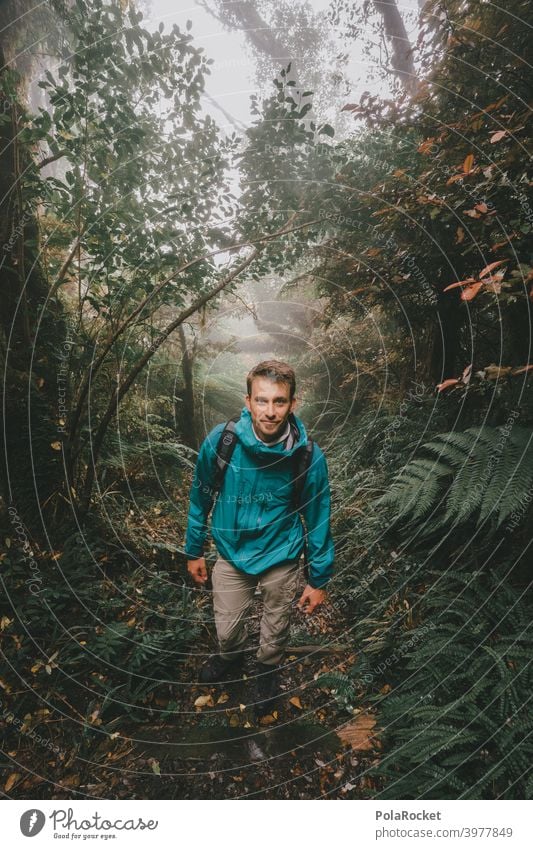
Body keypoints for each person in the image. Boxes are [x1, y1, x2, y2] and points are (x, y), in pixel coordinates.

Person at [184, 360, 334, 714]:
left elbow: (317, 517)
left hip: (280, 556)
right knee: (226, 629)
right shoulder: (223, 443)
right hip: (232, 554)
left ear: (292, 404)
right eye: (262, 401)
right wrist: (193, 550)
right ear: (248, 401)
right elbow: (200, 496)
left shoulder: (309, 456)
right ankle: (230, 657)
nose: (270, 411)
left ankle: (267, 670)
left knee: (276, 624)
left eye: (279, 401)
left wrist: (318, 579)